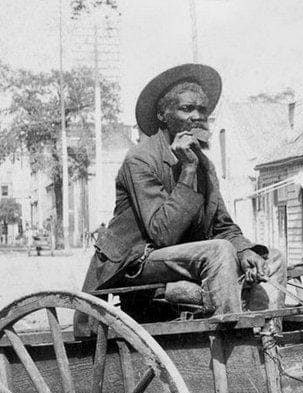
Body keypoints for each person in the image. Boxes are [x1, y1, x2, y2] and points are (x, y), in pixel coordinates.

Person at [80, 63, 285, 320]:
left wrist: (245, 251)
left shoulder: (204, 165)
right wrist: (188, 170)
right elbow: (162, 234)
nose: (197, 116)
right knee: (218, 250)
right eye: (187, 109)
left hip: (186, 259)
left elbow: (224, 227)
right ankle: (233, 343)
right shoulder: (141, 159)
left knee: (272, 258)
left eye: (202, 110)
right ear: (163, 115)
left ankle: (266, 339)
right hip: (138, 261)